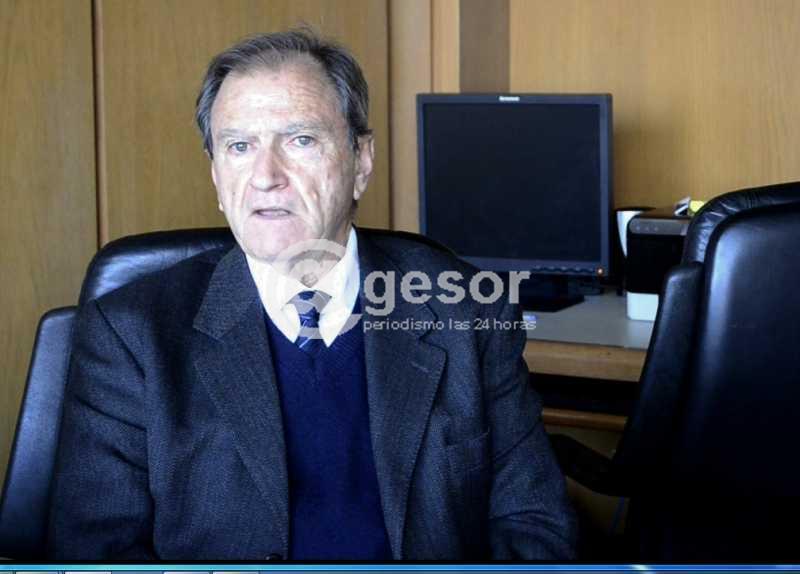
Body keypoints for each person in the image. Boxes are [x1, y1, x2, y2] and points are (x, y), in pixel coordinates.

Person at [47, 30, 576, 560]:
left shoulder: (467, 309)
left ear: (360, 161)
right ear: (215, 176)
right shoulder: (131, 333)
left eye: (300, 140)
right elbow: (97, 552)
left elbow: (532, 521)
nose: (265, 177)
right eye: (239, 146)